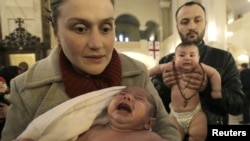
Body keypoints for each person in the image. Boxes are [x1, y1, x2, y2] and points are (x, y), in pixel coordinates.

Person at [1, 0, 181, 141]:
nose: (96, 44)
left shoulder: (137, 72)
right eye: (80, 29)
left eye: (105, 28)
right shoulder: (27, 87)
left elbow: (165, 127)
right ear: (56, 33)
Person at [151, 0, 244, 133]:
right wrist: (164, 86)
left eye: (197, 20)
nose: (192, 26)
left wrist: (208, 87)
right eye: (185, 22)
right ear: (177, 26)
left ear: (205, 23)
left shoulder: (223, 58)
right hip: (176, 133)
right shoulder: (166, 61)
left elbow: (238, 105)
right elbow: (155, 109)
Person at [15, 86, 169, 141]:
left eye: (139, 98)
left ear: (149, 123)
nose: (127, 97)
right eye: (122, 94)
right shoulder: (93, 132)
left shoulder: (149, 137)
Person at [150, 42, 221, 140]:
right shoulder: (170, 66)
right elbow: (157, 69)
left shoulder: (200, 67)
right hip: (175, 115)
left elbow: (214, 73)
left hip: (195, 113)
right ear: (175, 58)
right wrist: (147, 74)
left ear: (198, 58)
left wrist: (216, 90)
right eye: (182, 55)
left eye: (192, 55)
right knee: (174, 136)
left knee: (199, 134)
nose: (187, 58)